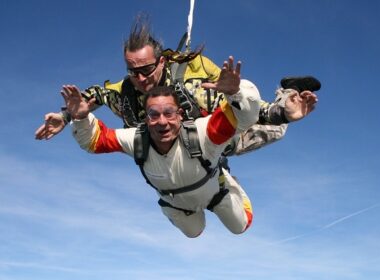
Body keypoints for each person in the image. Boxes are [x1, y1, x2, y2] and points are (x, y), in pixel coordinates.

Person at [63, 57, 317, 237]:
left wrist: (244, 96)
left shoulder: (198, 102)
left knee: (275, 130)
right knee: (193, 232)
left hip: (218, 143)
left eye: (168, 113)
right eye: (153, 115)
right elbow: (95, 126)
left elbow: (244, 116)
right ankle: (193, 194)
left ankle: (287, 92)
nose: (161, 122)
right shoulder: (135, 125)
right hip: (183, 183)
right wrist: (73, 116)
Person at [35, 14, 320, 155]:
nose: (141, 79)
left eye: (146, 70)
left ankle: (287, 90)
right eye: (132, 71)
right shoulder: (125, 92)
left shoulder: (190, 89)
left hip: (217, 134)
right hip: (177, 155)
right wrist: (66, 115)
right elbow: (93, 95)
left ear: (161, 63)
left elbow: (249, 109)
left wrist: (283, 113)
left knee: (277, 130)